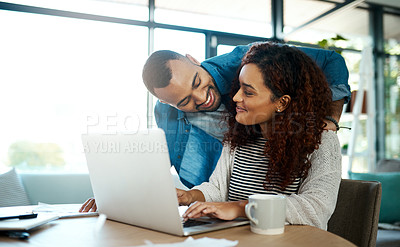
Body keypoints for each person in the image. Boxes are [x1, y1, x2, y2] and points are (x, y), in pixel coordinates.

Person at [176, 42, 342, 230]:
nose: (236, 97)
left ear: (282, 102)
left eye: (248, 92)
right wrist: (189, 196)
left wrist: (241, 207)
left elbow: (315, 208)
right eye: (238, 87)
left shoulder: (322, 140)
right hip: (241, 243)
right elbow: (218, 189)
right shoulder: (238, 136)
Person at [142, 42, 350, 189]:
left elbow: (332, 60)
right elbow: (160, 164)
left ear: (193, 60)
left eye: (197, 82)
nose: (201, 97)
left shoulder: (249, 61)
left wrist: (331, 119)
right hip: (219, 194)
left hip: (276, 180)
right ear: (166, 103)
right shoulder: (167, 112)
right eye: (184, 102)